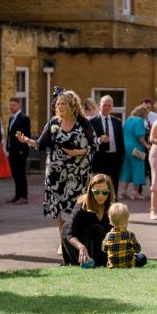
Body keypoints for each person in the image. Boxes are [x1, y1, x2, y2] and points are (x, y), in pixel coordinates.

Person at [15, 88, 95, 239]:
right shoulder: (53, 123)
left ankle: (77, 238)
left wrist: (77, 152)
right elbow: (41, 144)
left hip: (78, 173)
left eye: (63, 103)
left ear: (72, 104)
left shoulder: (83, 123)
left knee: (77, 207)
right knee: (59, 208)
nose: (59, 106)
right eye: (58, 103)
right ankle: (63, 241)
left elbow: (95, 145)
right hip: (55, 174)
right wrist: (27, 141)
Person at [61, 173, 114, 267]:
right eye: (97, 192)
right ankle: (92, 260)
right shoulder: (82, 205)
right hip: (77, 242)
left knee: (107, 229)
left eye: (105, 192)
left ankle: (101, 259)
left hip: (98, 241)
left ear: (109, 192)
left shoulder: (112, 206)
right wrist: (81, 247)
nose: (101, 196)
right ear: (91, 191)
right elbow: (68, 232)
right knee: (96, 228)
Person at [90, 95, 124, 189]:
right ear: (99, 106)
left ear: (112, 106)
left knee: (114, 186)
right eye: (105, 105)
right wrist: (99, 140)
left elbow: (120, 140)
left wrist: (122, 157)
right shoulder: (92, 122)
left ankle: (113, 203)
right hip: (100, 157)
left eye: (109, 105)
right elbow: (89, 141)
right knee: (100, 185)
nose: (107, 107)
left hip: (115, 158)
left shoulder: (117, 121)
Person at [119, 103, 150, 200]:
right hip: (136, 148)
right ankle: (135, 192)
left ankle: (123, 191)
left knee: (126, 168)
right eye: (146, 114)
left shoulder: (128, 119)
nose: (147, 116)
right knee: (138, 168)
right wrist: (146, 145)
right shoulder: (139, 120)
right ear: (143, 113)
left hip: (125, 146)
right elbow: (139, 135)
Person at [101, 202, 148, 268]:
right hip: (128, 264)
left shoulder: (108, 236)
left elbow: (103, 249)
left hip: (113, 265)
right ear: (126, 221)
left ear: (110, 221)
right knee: (142, 257)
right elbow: (138, 249)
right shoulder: (130, 235)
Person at [6, 97, 31, 204]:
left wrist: (22, 149)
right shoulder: (11, 118)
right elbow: (10, 135)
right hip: (12, 150)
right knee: (15, 173)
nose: (11, 107)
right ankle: (17, 195)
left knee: (21, 173)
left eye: (13, 105)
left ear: (19, 105)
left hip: (20, 151)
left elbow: (26, 135)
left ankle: (23, 196)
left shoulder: (24, 118)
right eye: (10, 105)